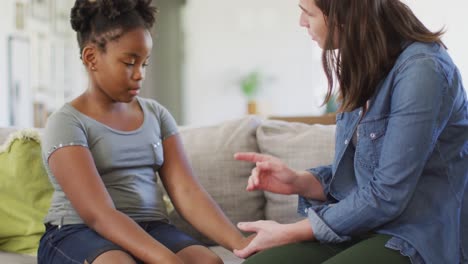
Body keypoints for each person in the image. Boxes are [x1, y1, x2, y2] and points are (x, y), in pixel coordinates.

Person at [233, 0, 468, 263]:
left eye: (308, 13)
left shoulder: (423, 70)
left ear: (345, 17)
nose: (301, 22)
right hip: (365, 226)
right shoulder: (365, 64)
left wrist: (290, 232)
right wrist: (299, 181)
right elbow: (364, 175)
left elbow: (387, 193)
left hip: (418, 234)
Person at [37, 1, 250, 263]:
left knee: (208, 261)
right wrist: (166, 259)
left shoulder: (157, 115)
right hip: (77, 231)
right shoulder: (66, 122)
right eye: (129, 62)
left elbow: (187, 192)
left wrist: (240, 243)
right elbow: (99, 214)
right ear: (91, 57)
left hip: (151, 226)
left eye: (144, 64)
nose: (140, 75)